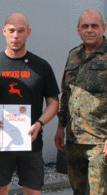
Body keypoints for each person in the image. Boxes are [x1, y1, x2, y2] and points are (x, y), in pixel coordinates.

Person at [0, 13, 59, 195]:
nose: (15, 35)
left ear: (28, 33)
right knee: (0, 190)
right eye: (11, 30)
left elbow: (53, 102)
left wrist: (39, 124)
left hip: (31, 142)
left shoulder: (41, 66)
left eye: (21, 31)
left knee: (33, 192)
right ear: (4, 31)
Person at [55, 9, 107, 194]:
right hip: (74, 140)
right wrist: (61, 127)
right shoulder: (73, 55)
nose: (90, 30)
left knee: (98, 192)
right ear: (78, 30)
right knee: (78, 190)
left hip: (100, 142)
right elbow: (66, 94)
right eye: (85, 26)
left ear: (104, 28)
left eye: (94, 26)